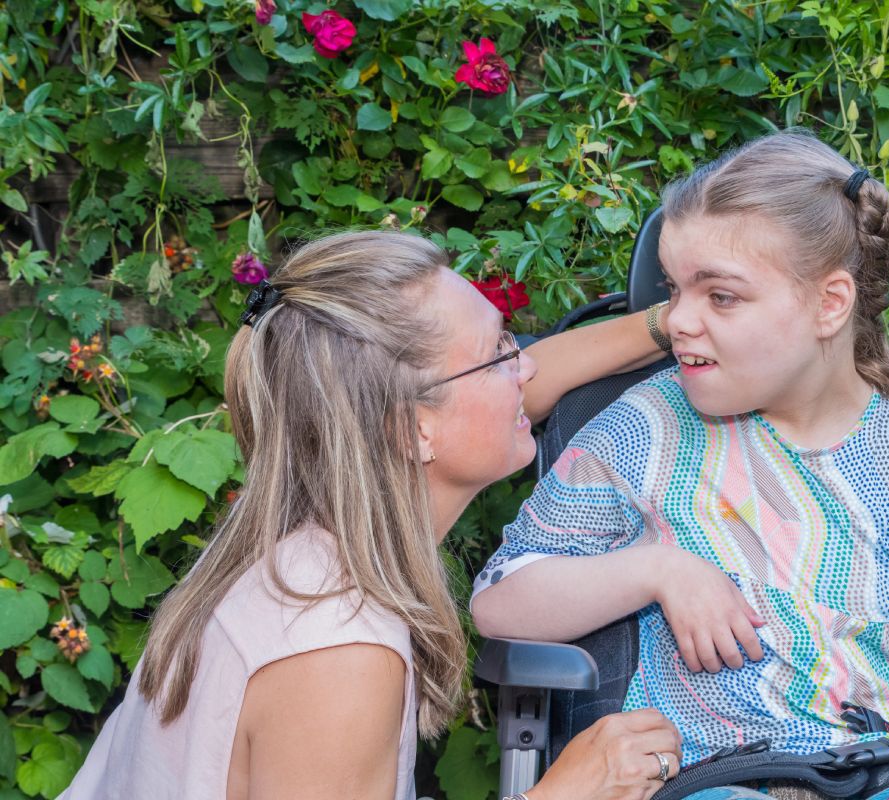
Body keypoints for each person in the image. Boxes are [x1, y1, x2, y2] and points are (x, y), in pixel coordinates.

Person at [471, 131, 889, 800]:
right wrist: (657, 570)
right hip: (711, 776)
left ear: (830, 304)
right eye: (675, 289)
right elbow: (500, 602)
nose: (677, 320)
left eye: (721, 297)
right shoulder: (647, 428)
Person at [59, 230, 685, 800]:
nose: (525, 364)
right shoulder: (336, 651)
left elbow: (524, 384)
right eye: (500, 351)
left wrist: (675, 320)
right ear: (411, 430)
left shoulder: (299, 556)